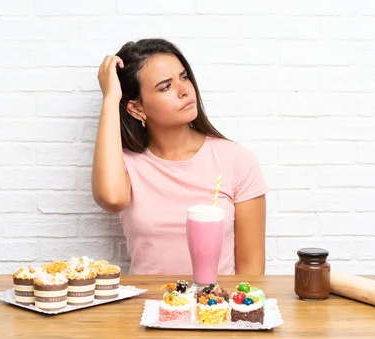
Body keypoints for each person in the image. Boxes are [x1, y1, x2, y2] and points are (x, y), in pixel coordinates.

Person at [92, 38, 268, 276]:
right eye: (165, 87)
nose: (185, 90)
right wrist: (110, 98)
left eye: (184, 77)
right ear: (136, 109)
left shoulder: (236, 160)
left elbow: (251, 272)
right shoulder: (125, 165)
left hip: (215, 309)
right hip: (145, 310)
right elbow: (112, 199)